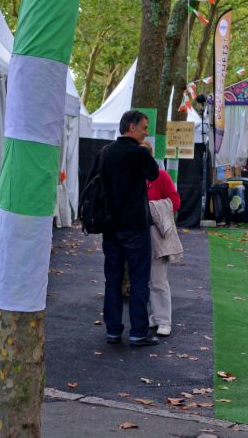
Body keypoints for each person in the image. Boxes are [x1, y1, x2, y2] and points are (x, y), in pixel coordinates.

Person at [90, 110, 161, 345]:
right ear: (132, 127)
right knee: (140, 278)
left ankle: (113, 329)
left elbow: (92, 182)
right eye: (144, 127)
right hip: (135, 226)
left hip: (110, 225)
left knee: (113, 278)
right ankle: (138, 331)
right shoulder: (139, 153)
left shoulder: (105, 152)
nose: (146, 132)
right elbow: (154, 174)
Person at [144, 142, 182, 337]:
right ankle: (156, 316)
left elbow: (175, 202)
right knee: (145, 279)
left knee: (158, 279)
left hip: (157, 233)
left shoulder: (161, 176)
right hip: (138, 234)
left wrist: (152, 208)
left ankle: (163, 319)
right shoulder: (132, 177)